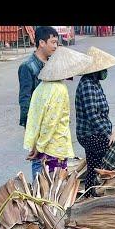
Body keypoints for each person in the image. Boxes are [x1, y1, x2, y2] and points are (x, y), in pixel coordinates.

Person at [24, 47, 92, 181]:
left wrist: (36, 144)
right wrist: (40, 147)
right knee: (52, 191)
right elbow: (50, 122)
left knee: (39, 188)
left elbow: (35, 118)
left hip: (40, 145)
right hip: (53, 149)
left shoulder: (41, 87)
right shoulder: (59, 89)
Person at [75, 47, 115, 196]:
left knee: (93, 166)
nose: (105, 71)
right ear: (95, 69)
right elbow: (93, 116)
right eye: (104, 68)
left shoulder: (94, 83)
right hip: (90, 134)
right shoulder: (87, 85)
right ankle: (100, 195)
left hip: (95, 132)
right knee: (113, 158)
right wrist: (109, 134)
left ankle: (89, 195)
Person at [18, 26, 59, 128]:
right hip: (37, 119)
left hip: (52, 118)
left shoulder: (52, 63)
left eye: (56, 43)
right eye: (53, 42)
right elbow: (25, 97)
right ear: (41, 43)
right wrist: (29, 124)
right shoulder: (27, 66)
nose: (55, 46)